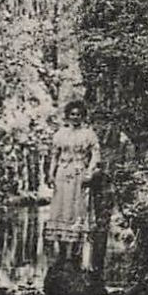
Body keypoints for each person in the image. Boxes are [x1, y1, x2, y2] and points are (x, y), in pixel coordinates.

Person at [43, 99, 101, 267]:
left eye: (78, 115)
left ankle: (74, 253)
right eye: (72, 115)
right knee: (60, 208)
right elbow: (54, 155)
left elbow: (96, 155)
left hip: (78, 174)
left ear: (83, 117)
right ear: (67, 116)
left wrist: (89, 172)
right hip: (62, 172)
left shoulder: (89, 134)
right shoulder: (60, 134)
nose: (75, 117)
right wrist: (50, 174)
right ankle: (61, 252)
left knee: (76, 210)